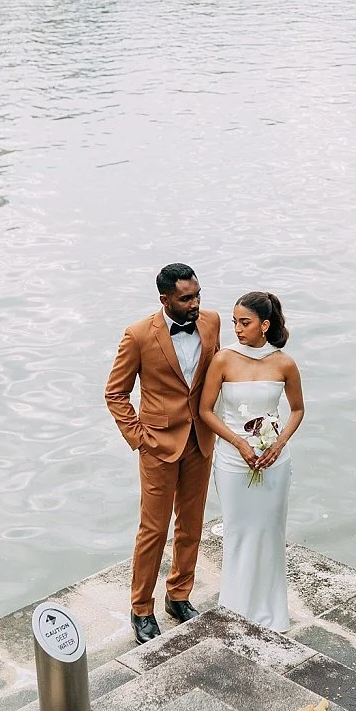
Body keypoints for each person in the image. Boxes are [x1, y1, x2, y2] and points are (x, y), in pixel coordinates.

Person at [106, 264, 222, 643]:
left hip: (200, 441)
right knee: (153, 530)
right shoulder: (138, 335)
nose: (195, 304)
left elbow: (216, 376)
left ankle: (179, 595)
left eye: (198, 295)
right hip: (157, 446)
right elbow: (115, 393)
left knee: (191, 524)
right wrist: (140, 438)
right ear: (165, 299)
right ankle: (141, 608)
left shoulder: (211, 322)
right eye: (186, 298)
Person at [198, 292, 304, 630]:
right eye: (235, 322)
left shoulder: (284, 363)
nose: (238, 329)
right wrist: (238, 442)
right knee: (238, 531)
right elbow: (205, 410)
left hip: (274, 461)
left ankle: (273, 613)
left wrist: (279, 443)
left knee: (270, 532)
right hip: (233, 461)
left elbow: (297, 410)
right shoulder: (223, 360)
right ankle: (235, 608)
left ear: (265, 325)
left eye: (245, 323)